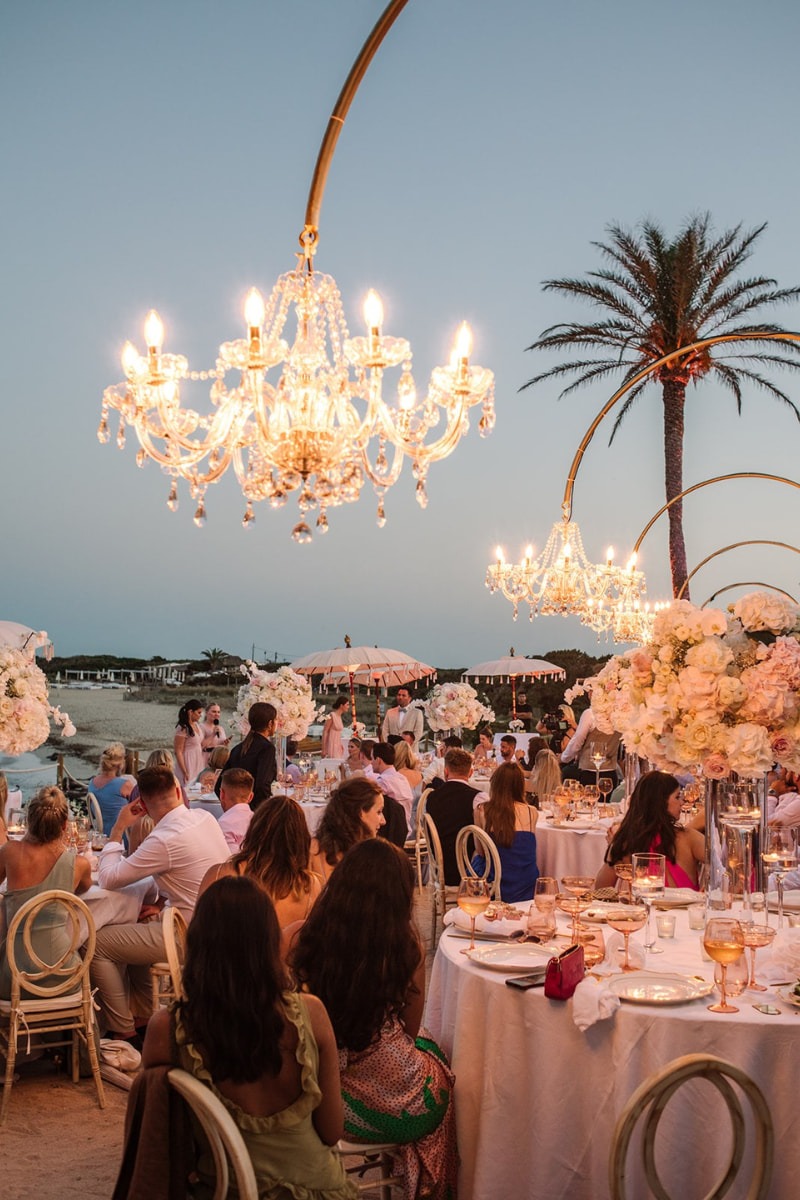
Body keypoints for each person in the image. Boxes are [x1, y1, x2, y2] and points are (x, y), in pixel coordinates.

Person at [141, 876, 356, 1200]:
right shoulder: (311, 1014)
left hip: (224, 1190)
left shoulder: (166, 1029)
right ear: (271, 943)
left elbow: (166, 1125)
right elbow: (331, 1132)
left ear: (198, 945)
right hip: (315, 1190)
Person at [291, 840, 457, 1200]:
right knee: (444, 1077)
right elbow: (410, 1032)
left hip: (315, 1090)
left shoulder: (306, 936)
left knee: (432, 1053)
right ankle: (430, 1184)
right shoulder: (405, 947)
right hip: (372, 1097)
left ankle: (411, 1166)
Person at [92, 766, 230, 1044]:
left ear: (141, 805)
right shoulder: (204, 817)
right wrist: (164, 900)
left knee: (95, 942)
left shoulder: (162, 840)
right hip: (220, 925)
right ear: (179, 791)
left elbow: (108, 878)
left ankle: (124, 1030)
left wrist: (118, 828)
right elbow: (192, 870)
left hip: (190, 935)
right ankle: (143, 1017)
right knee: (137, 920)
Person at [0, 786, 91, 999]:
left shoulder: (10, 852)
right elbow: (85, 888)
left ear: (30, 819)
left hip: (16, 976)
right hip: (63, 974)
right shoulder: (79, 864)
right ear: (63, 826)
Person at [200, 794, 323, 928]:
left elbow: (197, 933)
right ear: (301, 839)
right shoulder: (310, 887)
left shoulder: (219, 874)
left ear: (255, 829)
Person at [595, 770, 705, 890]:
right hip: (685, 908)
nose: (682, 802)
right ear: (660, 801)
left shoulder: (626, 842)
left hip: (642, 907)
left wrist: (614, 847)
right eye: (677, 796)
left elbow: (601, 890)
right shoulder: (688, 838)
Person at [475, 762, 539, 902]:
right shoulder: (532, 812)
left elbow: (480, 851)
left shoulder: (482, 810)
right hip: (526, 883)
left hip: (495, 883)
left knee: (476, 862)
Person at [309, 777, 386, 882]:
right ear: (360, 812)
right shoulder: (367, 859)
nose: (383, 821)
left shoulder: (314, 848)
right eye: (379, 812)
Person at [426, 748, 481, 885]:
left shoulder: (431, 797)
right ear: (471, 773)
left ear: (446, 771)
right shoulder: (478, 798)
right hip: (470, 871)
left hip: (441, 867)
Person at [216, 701, 277, 809]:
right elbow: (262, 785)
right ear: (270, 724)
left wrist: (231, 808)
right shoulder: (267, 748)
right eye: (276, 720)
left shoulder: (237, 748)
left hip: (236, 812)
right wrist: (259, 810)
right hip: (255, 812)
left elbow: (218, 787)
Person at [560, 707, 621, 787]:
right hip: (611, 772)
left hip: (590, 773)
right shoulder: (620, 715)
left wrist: (563, 758)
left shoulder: (590, 714)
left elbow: (577, 740)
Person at [89, 742, 136, 833]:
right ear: (121, 764)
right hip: (121, 837)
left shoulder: (92, 783)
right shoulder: (124, 785)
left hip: (100, 836)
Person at [372, 742, 414, 825]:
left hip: (392, 830)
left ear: (378, 760)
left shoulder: (383, 782)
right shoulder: (402, 778)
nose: (371, 763)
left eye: (372, 759)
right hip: (407, 827)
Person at [216, 767, 255, 851]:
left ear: (222, 794)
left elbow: (231, 860)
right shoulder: (258, 820)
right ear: (251, 797)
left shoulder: (224, 823)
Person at [173, 699, 205, 786]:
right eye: (198, 713)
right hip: (187, 761)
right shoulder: (183, 728)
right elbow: (178, 751)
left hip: (198, 760)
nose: (200, 715)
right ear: (191, 712)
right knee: (187, 787)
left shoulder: (197, 725)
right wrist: (185, 771)